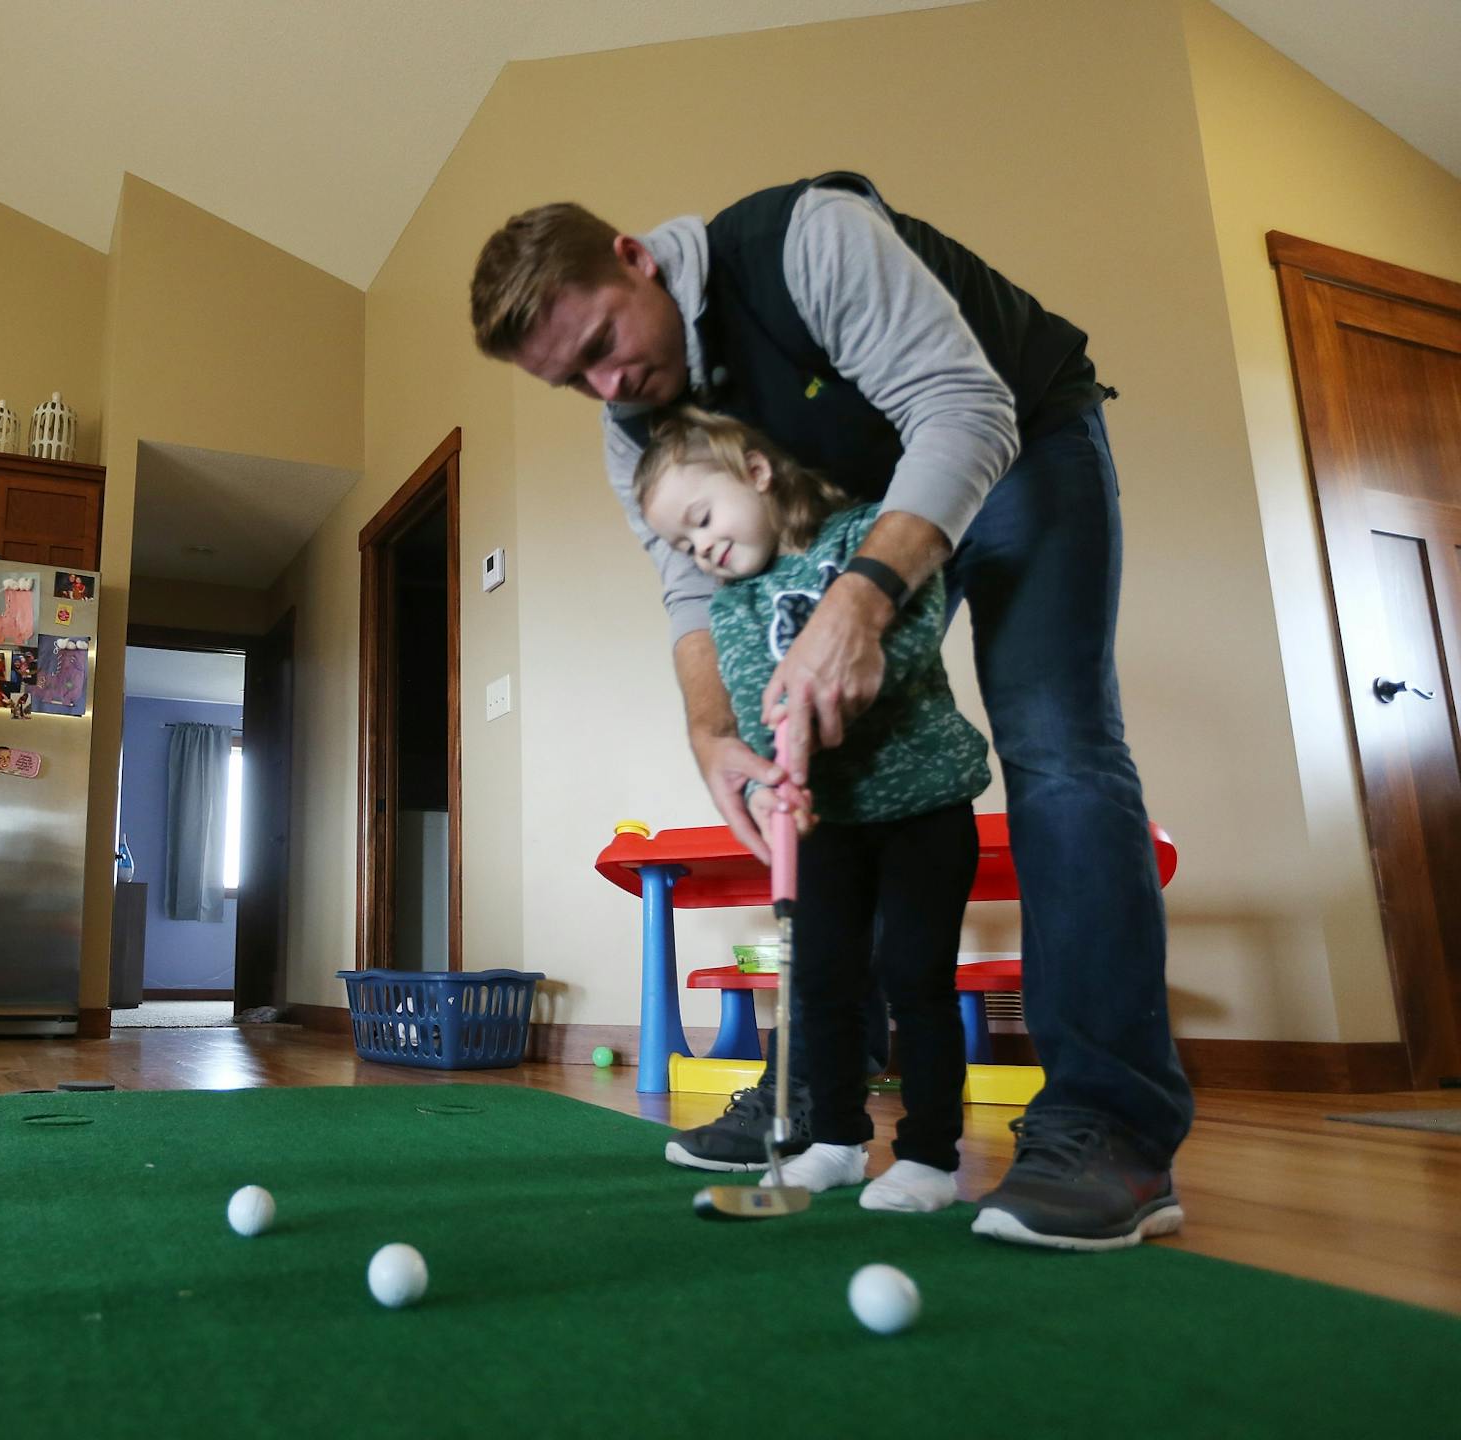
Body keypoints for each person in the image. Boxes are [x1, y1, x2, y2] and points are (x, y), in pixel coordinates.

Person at [471, 171, 1192, 1250]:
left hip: (1016, 437)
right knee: (833, 783)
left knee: (1057, 746)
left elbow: (963, 410)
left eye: (604, 343)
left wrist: (860, 601)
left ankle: (1111, 1128)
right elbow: (689, 589)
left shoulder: (809, 240)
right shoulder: (633, 421)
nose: (608, 384)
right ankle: (817, 1099)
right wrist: (714, 735)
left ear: (635, 258)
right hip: (858, 515)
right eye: (573, 378)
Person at [635, 408, 987, 1212]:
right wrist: (768, 777)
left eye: (703, 519)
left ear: (756, 473)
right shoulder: (733, 606)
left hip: (926, 808)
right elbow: (752, 706)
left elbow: (909, 640)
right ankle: (835, 1142)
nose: (702, 548)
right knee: (823, 985)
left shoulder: (867, 535)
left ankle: (929, 1157)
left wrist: (816, 701)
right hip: (824, 824)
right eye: (684, 543)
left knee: (918, 980)